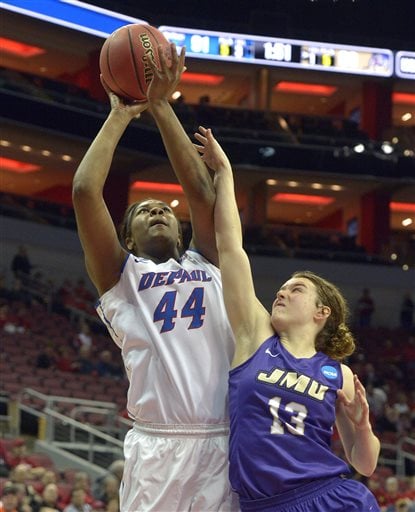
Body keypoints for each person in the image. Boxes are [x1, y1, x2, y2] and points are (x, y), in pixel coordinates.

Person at [72, 44, 236, 511]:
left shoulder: (209, 263)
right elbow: (86, 190)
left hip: (225, 440)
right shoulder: (120, 277)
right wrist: (122, 114)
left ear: (181, 230)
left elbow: (202, 193)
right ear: (127, 236)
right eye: (144, 211)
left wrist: (162, 105)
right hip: (157, 444)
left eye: (165, 209)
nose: (159, 211)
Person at [194, 126, 381, 511]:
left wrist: (361, 426)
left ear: (321, 312)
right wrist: (226, 172)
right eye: (282, 287)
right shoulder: (255, 338)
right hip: (263, 504)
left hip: (328, 497)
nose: (281, 292)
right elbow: (231, 250)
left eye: (296, 290)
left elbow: (365, 462)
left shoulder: (338, 374)